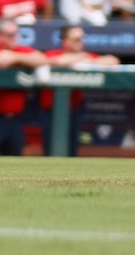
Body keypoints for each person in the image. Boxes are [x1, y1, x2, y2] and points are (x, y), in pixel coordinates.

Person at [41, 24, 120, 156]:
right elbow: (56, 61)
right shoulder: (54, 53)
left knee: (72, 149)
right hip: (51, 110)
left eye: (82, 39)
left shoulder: (85, 56)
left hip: (74, 109)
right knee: (51, 149)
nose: (80, 42)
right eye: (76, 39)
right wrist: (80, 59)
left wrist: (87, 60)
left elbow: (113, 60)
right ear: (65, 40)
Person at [0, 19, 48, 156]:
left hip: (16, 118)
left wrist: (14, 57)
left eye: (16, 34)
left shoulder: (20, 50)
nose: (15, 38)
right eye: (10, 35)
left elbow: (42, 59)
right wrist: (23, 59)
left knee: (14, 158)